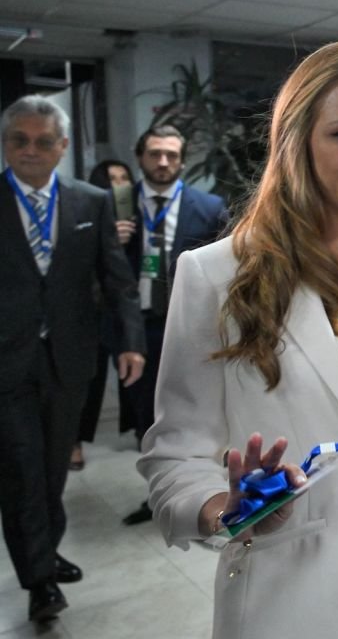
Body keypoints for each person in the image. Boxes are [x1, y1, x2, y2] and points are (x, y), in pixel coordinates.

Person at [136, 39, 338, 638]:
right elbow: (175, 455)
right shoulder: (216, 275)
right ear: (297, 138)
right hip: (293, 603)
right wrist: (226, 509)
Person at [0, 96, 145, 622]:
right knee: (20, 470)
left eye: (43, 141)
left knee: (52, 469)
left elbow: (117, 279)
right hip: (7, 364)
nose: (31, 151)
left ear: (62, 147)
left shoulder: (90, 202)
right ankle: (39, 582)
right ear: (6, 144)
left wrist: (130, 341)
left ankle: (44, 550)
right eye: (20, 140)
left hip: (69, 358)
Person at [119, 125, 228, 525]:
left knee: (193, 411)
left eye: (171, 155)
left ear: (182, 160)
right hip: (138, 327)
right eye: (154, 154)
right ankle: (160, 494)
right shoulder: (117, 205)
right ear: (140, 157)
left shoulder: (208, 205)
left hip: (189, 327)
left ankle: (203, 489)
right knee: (145, 415)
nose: (162, 162)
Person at [73, 158, 137, 471]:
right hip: (89, 307)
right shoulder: (86, 208)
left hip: (123, 304)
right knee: (90, 378)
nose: (119, 184)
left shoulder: (134, 210)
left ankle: (139, 427)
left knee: (132, 373)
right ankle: (74, 441)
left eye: (124, 177)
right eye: (112, 178)